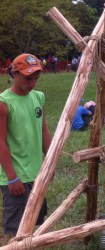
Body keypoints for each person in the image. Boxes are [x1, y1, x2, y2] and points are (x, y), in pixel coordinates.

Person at [0, 53, 50, 236]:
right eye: (28, 79)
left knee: (36, 221)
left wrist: (49, 162)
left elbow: (43, 130)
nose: (32, 84)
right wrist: (12, 177)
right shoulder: (4, 102)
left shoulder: (38, 97)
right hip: (16, 175)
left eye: (36, 79)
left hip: (37, 172)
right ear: (14, 74)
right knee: (17, 229)